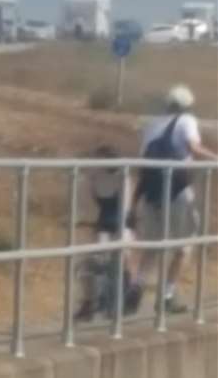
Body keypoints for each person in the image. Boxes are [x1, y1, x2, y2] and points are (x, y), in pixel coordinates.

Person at [131, 85, 215, 315]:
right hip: (177, 191)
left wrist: (133, 202)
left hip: (152, 193)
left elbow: (143, 166)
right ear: (188, 105)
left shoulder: (153, 125)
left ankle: (135, 287)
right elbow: (193, 147)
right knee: (184, 247)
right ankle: (167, 296)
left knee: (153, 245)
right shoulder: (187, 120)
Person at [75, 145, 137, 321]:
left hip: (122, 224)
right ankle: (90, 302)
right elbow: (87, 206)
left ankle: (124, 297)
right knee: (89, 262)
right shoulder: (93, 178)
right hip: (102, 225)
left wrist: (120, 235)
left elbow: (125, 210)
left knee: (121, 257)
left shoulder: (123, 177)